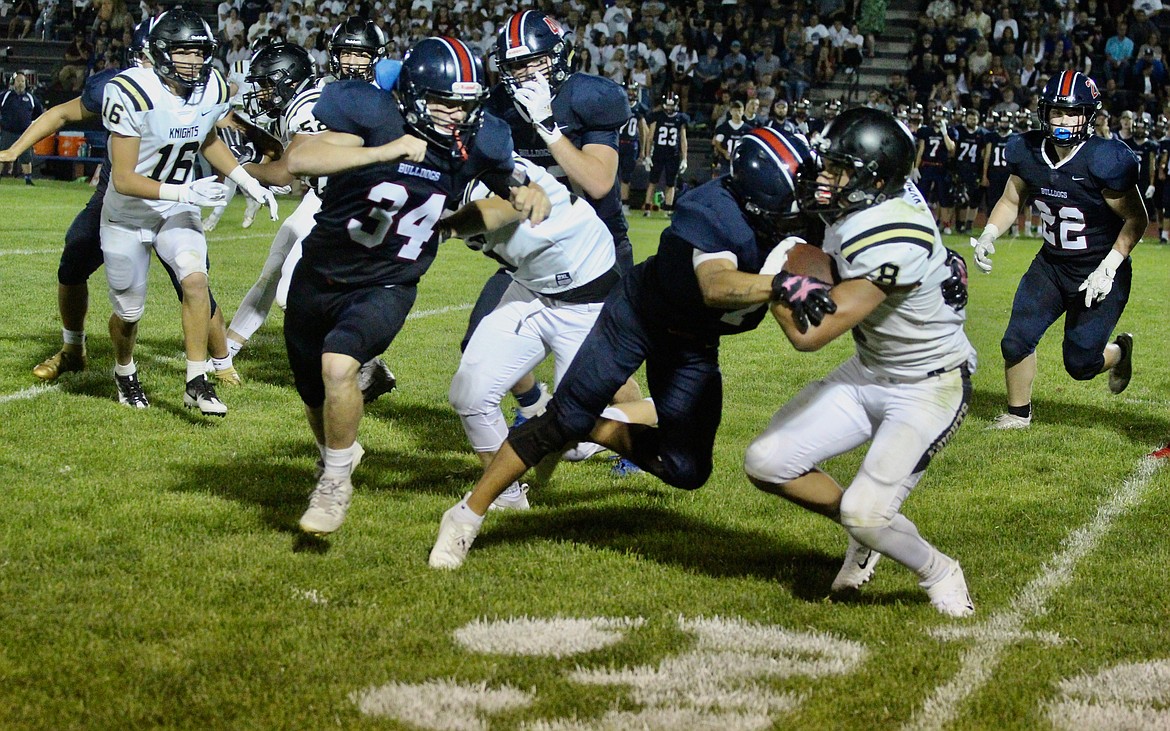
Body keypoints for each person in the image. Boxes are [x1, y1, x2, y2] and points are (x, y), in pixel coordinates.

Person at [429, 128, 837, 570]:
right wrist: (781, 283)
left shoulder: (795, 221)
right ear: (765, 196)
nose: (817, 195)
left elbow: (808, 322)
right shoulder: (712, 209)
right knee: (562, 417)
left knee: (686, 470)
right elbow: (716, 284)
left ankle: (590, 428)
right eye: (803, 187)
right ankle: (466, 516)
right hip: (637, 316)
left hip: (694, 343)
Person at [281, 36, 551, 536]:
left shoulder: (481, 139)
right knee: (313, 393)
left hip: (389, 281)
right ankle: (337, 456)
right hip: (319, 273)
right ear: (410, 95)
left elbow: (505, 186)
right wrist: (387, 151)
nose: (455, 115)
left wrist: (522, 194)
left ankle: (335, 483)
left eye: (466, 105)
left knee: (339, 365)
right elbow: (299, 159)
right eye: (444, 102)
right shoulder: (374, 114)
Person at [743, 106, 977, 618]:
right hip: (870, 369)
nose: (825, 178)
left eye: (838, 168)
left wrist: (776, 274)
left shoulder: (892, 232)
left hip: (928, 382)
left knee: (865, 512)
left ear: (873, 179)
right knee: (766, 462)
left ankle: (938, 569)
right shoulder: (871, 203)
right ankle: (868, 530)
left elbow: (813, 333)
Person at [1, 22, 240, 387]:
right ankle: (72, 349)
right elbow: (62, 114)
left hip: (173, 198)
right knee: (75, 256)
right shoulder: (122, 88)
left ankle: (221, 363)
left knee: (194, 282)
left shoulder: (198, 85)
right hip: (121, 195)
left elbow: (214, 126)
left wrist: (252, 151)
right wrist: (14, 151)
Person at [470, 9, 641, 455]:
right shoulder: (498, 108)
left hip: (596, 250)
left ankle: (639, 440)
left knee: (603, 368)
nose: (523, 73)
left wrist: (547, 127)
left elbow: (599, 182)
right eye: (514, 65)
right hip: (536, 252)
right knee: (480, 339)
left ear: (559, 56)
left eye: (533, 62)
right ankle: (531, 404)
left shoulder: (592, 97)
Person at [99, 9, 277, 413]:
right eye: (184, 52)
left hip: (177, 206)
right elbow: (124, 177)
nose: (194, 63)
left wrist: (249, 180)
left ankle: (196, 380)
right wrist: (184, 193)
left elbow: (208, 137)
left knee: (196, 281)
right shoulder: (131, 90)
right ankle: (124, 371)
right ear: (161, 52)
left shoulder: (211, 86)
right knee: (129, 312)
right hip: (129, 212)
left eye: (199, 53)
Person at [445, 155, 625, 511]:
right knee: (470, 394)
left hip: (587, 297)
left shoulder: (491, 165)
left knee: (573, 441)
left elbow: (502, 209)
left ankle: (662, 418)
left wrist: (445, 227)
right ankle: (507, 497)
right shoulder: (429, 172)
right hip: (530, 289)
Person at [971, 71, 1144, 430]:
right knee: (1016, 339)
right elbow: (1011, 198)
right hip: (1050, 264)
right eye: (1055, 112)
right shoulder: (1028, 151)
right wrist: (989, 232)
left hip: (1098, 269)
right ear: (1044, 112)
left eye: (1071, 113)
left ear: (1089, 115)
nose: (1062, 121)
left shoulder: (1105, 159)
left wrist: (1109, 266)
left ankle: (1119, 352)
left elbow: (1136, 220)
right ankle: (1018, 415)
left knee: (1080, 364)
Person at [641, 92, 689, 216]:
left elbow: (683, 139)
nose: (669, 108)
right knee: (653, 181)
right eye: (667, 105)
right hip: (658, 153)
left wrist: (684, 158)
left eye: (671, 106)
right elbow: (650, 137)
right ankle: (647, 208)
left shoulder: (680, 118)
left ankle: (667, 209)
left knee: (670, 183)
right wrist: (647, 156)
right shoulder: (657, 116)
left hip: (673, 154)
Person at [0, 72, 42, 185]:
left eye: (23, 81)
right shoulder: (5, 96)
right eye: (18, 81)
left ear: (26, 83)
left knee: (26, 157)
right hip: (8, 132)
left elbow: (39, 112)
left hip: (24, 133)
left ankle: (28, 179)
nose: (20, 84)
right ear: (13, 83)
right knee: (2, 154)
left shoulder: (30, 98)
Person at [617, 82, 650, 213]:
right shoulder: (619, 105)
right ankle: (615, 203)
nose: (631, 94)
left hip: (630, 144)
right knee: (613, 175)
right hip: (619, 142)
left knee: (626, 177)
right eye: (629, 91)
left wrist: (643, 150)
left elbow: (644, 130)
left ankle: (624, 204)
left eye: (633, 91)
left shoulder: (639, 108)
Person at [711, 99, 751, 179]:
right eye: (735, 111)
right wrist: (724, 151)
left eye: (739, 111)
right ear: (731, 111)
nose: (737, 113)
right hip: (726, 162)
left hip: (741, 162)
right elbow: (717, 143)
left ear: (743, 112)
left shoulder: (748, 129)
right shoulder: (723, 128)